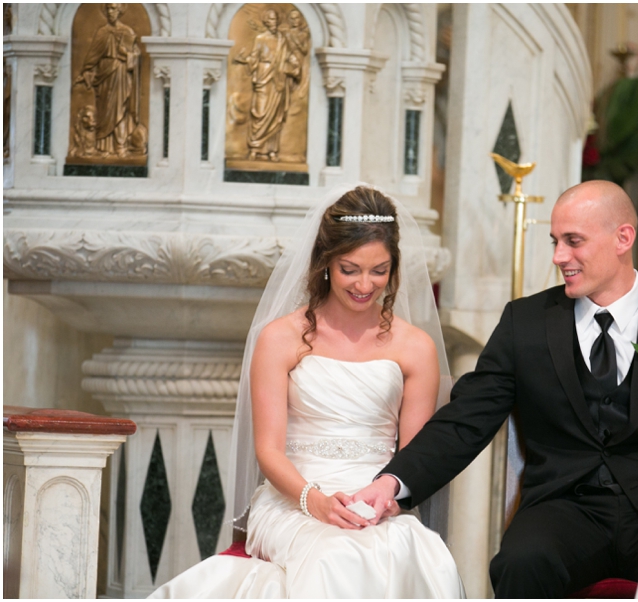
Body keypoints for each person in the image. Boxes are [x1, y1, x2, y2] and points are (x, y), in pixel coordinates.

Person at [354, 180, 638, 598]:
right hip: (561, 510)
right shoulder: (526, 323)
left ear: (623, 238)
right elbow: (465, 421)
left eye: (574, 242)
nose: (559, 257)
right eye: (556, 241)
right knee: (521, 563)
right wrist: (393, 482)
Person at [149, 185, 463, 598]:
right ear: (326, 263)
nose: (365, 284)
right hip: (292, 499)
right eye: (350, 269)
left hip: (376, 502)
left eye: (379, 270)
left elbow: (414, 457)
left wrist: (389, 503)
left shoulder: (415, 347)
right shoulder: (280, 338)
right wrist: (314, 501)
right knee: (334, 557)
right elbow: (269, 451)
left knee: (423, 553)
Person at [75, 3, 143, 157]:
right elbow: (92, 57)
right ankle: (104, 148)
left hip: (121, 74)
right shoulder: (102, 32)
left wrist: (125, 54)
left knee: (120, 109)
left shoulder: (127, 32)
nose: (110, 12)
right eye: (108, 9)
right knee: (104, 110)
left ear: (119, 11)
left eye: (113, 9)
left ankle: (120, 146)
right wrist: (86, 71)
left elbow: (136, 57)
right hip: (104, 76)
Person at [235, 9, 298, 162]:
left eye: (275, 19)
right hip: (264, 77)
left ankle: (272, 151)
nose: (274, 22)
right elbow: (254, 57)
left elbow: (290, 56)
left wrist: (294, 64)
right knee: (260, 114)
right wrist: (244, 60)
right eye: (270, 19)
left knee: (276, 117)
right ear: (265, 21)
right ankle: (254, 149)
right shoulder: (260, 39)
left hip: (278, 81)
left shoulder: (283, 40)